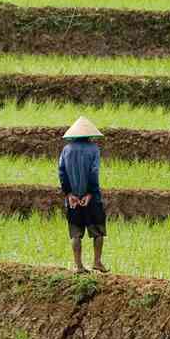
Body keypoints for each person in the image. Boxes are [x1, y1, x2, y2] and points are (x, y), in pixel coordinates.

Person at [59, 116, 108, 273]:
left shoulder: (66, 149)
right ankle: (97, 262)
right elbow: (93, 173)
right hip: (91, 199)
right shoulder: (94, 149)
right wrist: (90, 193)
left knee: (76, 233)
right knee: (98, 231)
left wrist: (69, 193)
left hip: (72, 198)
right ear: (89, 134)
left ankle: (78, 265)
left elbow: (62, 173)